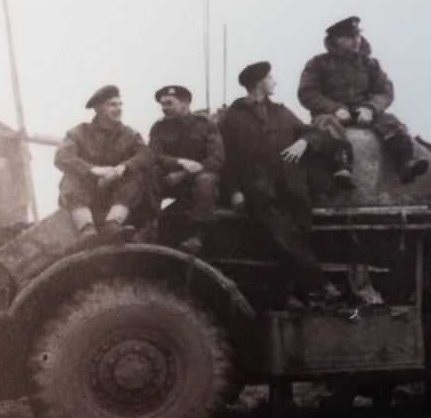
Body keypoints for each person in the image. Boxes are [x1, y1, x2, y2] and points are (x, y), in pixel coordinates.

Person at [220, 61, 342, 308]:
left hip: (294, 189)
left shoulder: (282, 112)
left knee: (298, 238)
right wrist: (234, 191)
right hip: (260, 191)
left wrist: (303, 142)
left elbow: (315, 133)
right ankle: (322, 286)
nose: (274, 81)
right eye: (270, 77)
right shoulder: (233, 117)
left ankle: (299, 296)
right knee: (285, 236)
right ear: (259, 83)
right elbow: (228, 159)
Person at [298, 15, 428, 183]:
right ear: (337, 39)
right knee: (327, 124)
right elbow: (307, 92)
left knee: (391, 122)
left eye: (358, 35)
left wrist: (370, 108)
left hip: (362, 112)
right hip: (331, 114)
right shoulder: (317, 63)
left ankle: (406, 163)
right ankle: (341, 167)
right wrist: (334, 108)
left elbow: (385, 90)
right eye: (350, 37)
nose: (356, 40)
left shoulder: (369, 63)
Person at [55, 84, 157, 241]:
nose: (118, 109)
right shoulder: (79, 132)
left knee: (137, 175)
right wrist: (94, 170)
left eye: (120, 104)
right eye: (112, 104)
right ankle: (87, 229)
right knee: (71, 177)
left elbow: (147, 155)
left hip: (120, 197)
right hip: (88, 196)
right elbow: (62, 157)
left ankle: (113, 224)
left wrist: (123, 167)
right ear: (98, 108)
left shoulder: (129, 134)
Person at [148, 85, 224, 254]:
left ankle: (195, 236)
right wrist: (180, 162)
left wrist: (184, 174)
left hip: (199, 181)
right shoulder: (159, 128)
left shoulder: (206, 124)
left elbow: (216, 159)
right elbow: (154, 156)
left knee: (206, 180)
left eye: (169, 103)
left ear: (185, 103)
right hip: (172, 180)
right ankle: (148, 226)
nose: (164, 108)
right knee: (148, 175)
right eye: (162, 104)